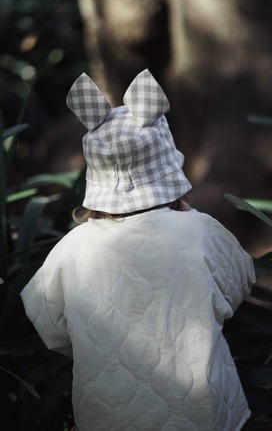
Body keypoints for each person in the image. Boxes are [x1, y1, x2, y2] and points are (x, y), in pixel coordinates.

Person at [20, 69, 256, 431]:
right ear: (167, 163)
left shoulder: (71, 250)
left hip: (106, 416)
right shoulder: (201, 231)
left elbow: (50, 326)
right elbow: (238, 284)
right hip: (205, 413)